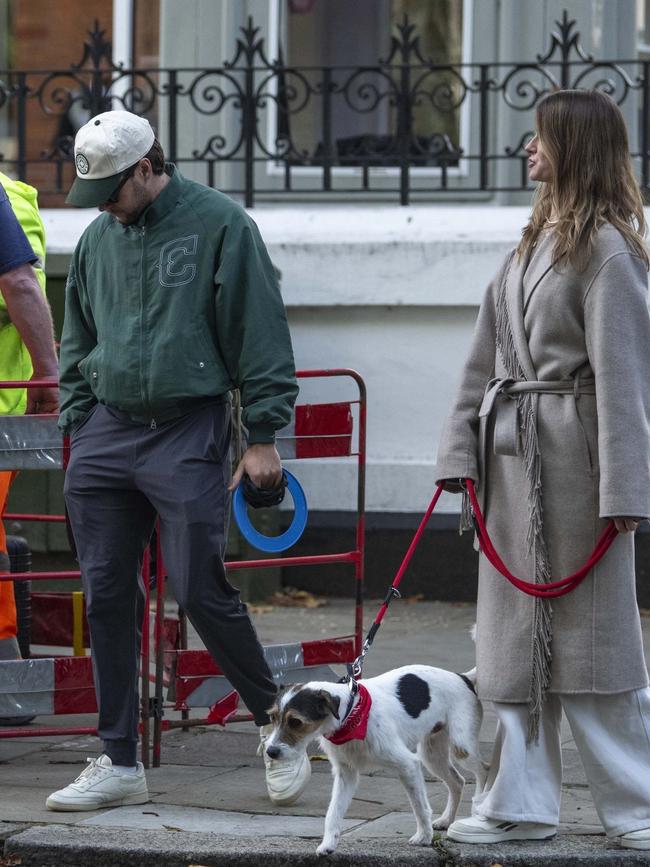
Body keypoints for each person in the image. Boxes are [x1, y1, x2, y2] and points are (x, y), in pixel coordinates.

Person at [46, 110, 307, 811]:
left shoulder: (222, 225)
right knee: (104, 595)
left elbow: (260, 330)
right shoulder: (100, 238)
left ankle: (277, 726)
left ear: (145, 168)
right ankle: (119, 759)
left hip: (188, 428)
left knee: (198, 587)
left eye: (109, 187)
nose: (97, 204)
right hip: (106, 431)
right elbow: (79, 335)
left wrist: (262, 434)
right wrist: (80, 422)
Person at [435, 89, 650, 850]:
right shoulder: (527, 247)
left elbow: (626, 383)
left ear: (574, 150)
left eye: (540, 140)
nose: (529, 152)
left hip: (578, 477)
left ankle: (637, 807)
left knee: (595, 651)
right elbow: (482, 362)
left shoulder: (609, 253)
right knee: (511, 649)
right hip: (510, 468)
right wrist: (458, 456)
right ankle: (518, 805)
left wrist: (626, 493)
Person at [0, 173, 59, 722]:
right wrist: (47, 372)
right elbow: (20, 283)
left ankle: (9, 678)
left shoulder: (8, 200)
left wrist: (46, 371)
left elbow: (21, 284)